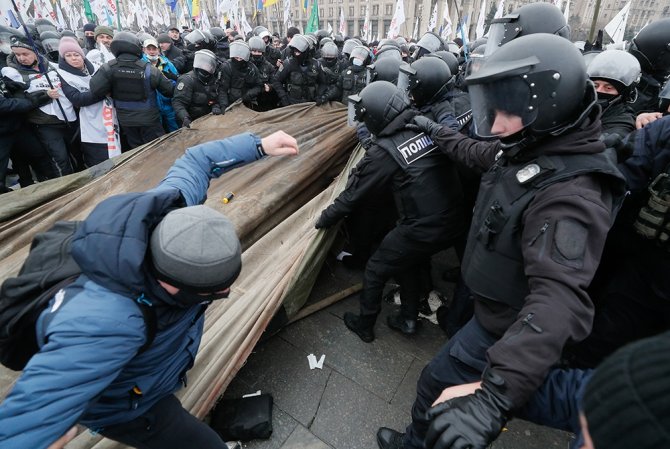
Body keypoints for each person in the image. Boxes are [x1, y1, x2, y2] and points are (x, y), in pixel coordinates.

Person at [376, 34, 626, 449]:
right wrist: (431, 128)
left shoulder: (569, 195)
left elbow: (558, 301)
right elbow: (477, 152)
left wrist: (494, 397)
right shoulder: (532, 145)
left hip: (503, 326)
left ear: (545, 107)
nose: (493, 124)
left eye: (505, 111)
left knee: (436, 387)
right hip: (488, 303)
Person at [0, 130, 299, 449]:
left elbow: (197, 160)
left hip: (154, 365)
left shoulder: (169, 214)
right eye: (212, 294)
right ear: (173, 286)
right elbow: (23, 426)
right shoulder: (105, 327)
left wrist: (258, 146)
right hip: (130, 408)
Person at [315, 81, 466, 340]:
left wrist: (322, 219)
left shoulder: (384, 151)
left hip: (423, 225)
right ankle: (408, 319)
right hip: (454, 219)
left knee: (376, 269)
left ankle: (365, 324)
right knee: (406, 261)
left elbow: (352, 196)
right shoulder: (422, 123)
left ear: (374, 118)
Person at [5, 34, 79, 176]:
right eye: (17, 54)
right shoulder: (13, 74)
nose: (21, 58)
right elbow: (19, 100)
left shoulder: (53, 66)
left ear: (35, 51)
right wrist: (45, 95)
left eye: (25, 54)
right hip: (45, 123)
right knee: (60, 159)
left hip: (68, 118)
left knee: (76, 154)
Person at [90, 32, 174, 149]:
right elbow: (169, 90)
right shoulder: (149, 69)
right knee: (158, 150)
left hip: (126, 122)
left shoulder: (108, 68)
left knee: (137, 153)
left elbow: (95, 89)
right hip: (149, 121)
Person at [57, 37, 122, 168]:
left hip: (110, 115)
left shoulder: (97, 68)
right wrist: (103, 92)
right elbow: (78, 99)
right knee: (100, 160)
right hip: (90, 124)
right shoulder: (64, 75)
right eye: (68, 55)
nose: (74, 58)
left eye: (76, 54)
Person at [0, 68, 52, 192]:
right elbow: (4, 105)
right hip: (2, 134)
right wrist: (30, 102)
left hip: (16, 126)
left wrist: (8, 86)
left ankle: (48, 182)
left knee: (38, 153)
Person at [586, 49, 639, 140]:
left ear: (623, 93)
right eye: (595, 85)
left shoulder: (623, 122)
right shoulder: (579, 106)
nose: (599, 91)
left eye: (608, 88)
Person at [173, 49, 223, 127]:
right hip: (189, 120)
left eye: (208, 64)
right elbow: (178, 102)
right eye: (203, 63)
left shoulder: (213, 79)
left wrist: (215, 106)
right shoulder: (187, 80)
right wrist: (184, 117)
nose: (205, 66)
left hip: (206, 119)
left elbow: (215, 98)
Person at [272, 34, 325, 106]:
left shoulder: (316, 64)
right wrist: (283, 97)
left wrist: (319, 96)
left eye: (299, 51)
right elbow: (276, 80)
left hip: (311, 103)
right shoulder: (288, 64)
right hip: (292, 103)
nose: (296, 53)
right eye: (295, 50)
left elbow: (323, 83)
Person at [143, 37, 180, 132]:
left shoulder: (168, 63)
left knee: (175, 130)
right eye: (149, 49)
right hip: (152, 107)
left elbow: (177, 81)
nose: (152, 52)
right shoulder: (141, 65)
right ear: (144, 50)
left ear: (158, 50)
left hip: (168, 104)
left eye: (154, 49)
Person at [218, 41, 262, 111]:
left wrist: (248, 95)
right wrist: (224, 105)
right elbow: (222, 89)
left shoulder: (252, 68)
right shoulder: (226, 67)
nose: (238, 60)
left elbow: (258, 86)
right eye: (236, 57)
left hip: (246, 103)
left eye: (241, 58)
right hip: (230, 103)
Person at [249, 36, 279, 111]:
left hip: (265, 101)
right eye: (254, 51)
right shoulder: (245, 65)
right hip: (249, 101)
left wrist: (270, 87)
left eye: (259, 52)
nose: (257, 54)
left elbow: (275, 82)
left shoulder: (269, 66)